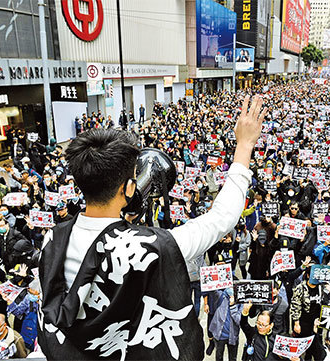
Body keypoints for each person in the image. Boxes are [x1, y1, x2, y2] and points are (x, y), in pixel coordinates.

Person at [37, 95, 266, 360]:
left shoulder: (51, 240)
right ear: (129, 188)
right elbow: (223, 217)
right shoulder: (148, 247)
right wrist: (245, 145)